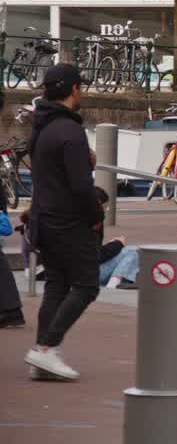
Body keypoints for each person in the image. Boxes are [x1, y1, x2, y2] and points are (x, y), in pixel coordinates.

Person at [23, 64, 103, 381]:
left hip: (44, 218)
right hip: (69, 221)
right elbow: (81, 186)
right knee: (86, 285)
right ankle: (45, 348)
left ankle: (43, 358)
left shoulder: (41, 128)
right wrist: (96, 216)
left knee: (56, 285)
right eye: (80, 87)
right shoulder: (70, 131)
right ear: (73, 90)